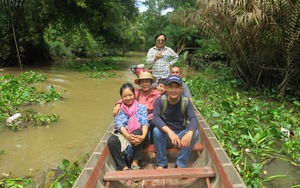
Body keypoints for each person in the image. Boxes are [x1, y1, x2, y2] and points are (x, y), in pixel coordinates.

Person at [152, 75, 199, 169]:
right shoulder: (160, 101)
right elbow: (156, 118)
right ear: (166, 88)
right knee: (156, 131)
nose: (174, 90)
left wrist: (189, 133)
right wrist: (170, 132)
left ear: (181, 89)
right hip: (166, 137)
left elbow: (194, 119)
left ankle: (181, 163)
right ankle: (162, 163)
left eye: (177, 87)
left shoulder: (186, 102)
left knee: (195, 133)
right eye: (171, 87)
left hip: (181, 137)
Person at [108, 83, 149, 171]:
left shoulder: (141, 107)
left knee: (137, 132)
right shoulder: (119, 109)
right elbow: (120, 125)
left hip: (141, 138)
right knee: (111, 141)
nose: (128, 98)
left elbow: (144, 123)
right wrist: (128, 137)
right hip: (126, 135)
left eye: (130, 95)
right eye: (125, 96)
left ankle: (135, 162)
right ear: (121, 98)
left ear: (134, 95)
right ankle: (123, 166)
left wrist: (143, 136)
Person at [113, 71, 160, 144]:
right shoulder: (137, 92)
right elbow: (126, 96)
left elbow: (157, 110)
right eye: (142, 82)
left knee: (154, 123)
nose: (144, 84)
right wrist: (118, 104)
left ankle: (152, 143)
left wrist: (145, 118)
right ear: (140, 84)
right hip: (138, 119)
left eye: (147, 81)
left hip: (151, 119)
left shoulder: (156, 95)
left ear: (151, 83)